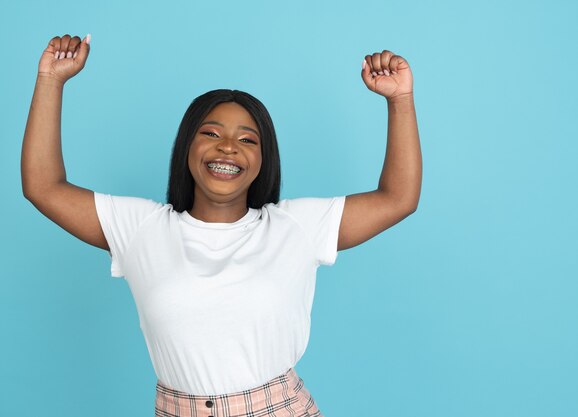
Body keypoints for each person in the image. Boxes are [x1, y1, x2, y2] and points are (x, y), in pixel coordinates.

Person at [21, 34, 422, 417]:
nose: (227, 146)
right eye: (210, 133)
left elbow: (397, 198)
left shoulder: (296, 227)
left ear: (264, 160)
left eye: (248, 140)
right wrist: (50, 80)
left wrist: (400, 99)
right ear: (187, 147)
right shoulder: (140, 229)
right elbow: (43, 186)